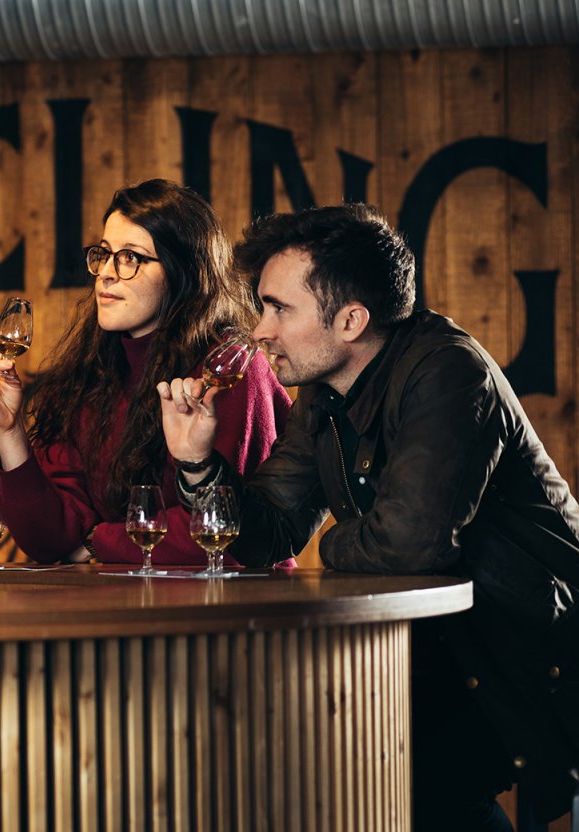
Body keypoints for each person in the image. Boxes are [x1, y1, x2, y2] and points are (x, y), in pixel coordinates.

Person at [158, 203, 579, 828]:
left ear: (351, 319)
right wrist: (196, 462)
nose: (260, 330)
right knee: (304, 763)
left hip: (527, 655)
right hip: (437, 650)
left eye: (279, 308)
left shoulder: (448, 371)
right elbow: (270, 527)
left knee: (415, 787)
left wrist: (329, 544)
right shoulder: (324, 394)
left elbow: (409, 547)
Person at [0, 179, 292, 565]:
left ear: (181, 270)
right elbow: (48, 539)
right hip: (127, 605)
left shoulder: (230, 370)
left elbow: (220, 532)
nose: (106, 272)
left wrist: (98, 542)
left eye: (130, 258)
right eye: (103, 254)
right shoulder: (94, 370)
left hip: (232, 610)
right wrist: (9, 430)